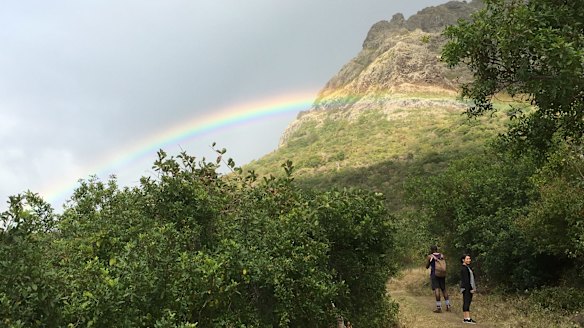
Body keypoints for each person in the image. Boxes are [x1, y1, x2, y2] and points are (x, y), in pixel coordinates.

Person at [425, 245, 450, 313]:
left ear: (431, 250)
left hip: (435, 274)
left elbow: (427, 266)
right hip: (442, 274)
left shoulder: (430, 256)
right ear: (437, 249)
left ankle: (439, 307)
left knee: (437, 289)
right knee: (444, 289)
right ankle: (448, 305)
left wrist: (429, 263)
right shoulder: (442, 255)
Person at [460, 254, 477, 324]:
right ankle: (467, 318)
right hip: (466, 288)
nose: (469, 260)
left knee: (467, 302)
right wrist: (470, 288)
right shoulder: (464, 268)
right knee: (466, 302)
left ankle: (466, 318)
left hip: (468, 287)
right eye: (467, 259)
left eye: (469, 259)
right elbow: (466, 280)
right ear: (463, 260)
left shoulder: (468, 267)